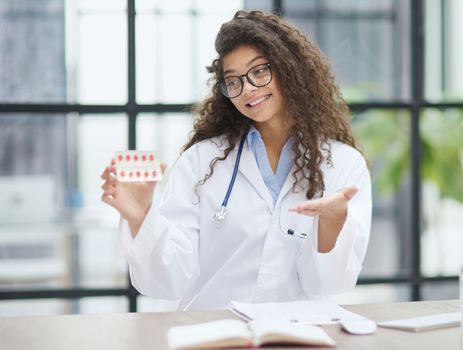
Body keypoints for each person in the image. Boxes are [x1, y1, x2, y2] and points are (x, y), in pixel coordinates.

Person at [101, 10, 372, 311]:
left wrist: (332, 224)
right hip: (212, 331)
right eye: (233, 81)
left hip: (294, 334)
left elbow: (331, 285)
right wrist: (142, 218)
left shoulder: (343, 163)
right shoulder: (202, 162)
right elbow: (168, 281)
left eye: (259, 72)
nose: (248, 90)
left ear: (290, 69)